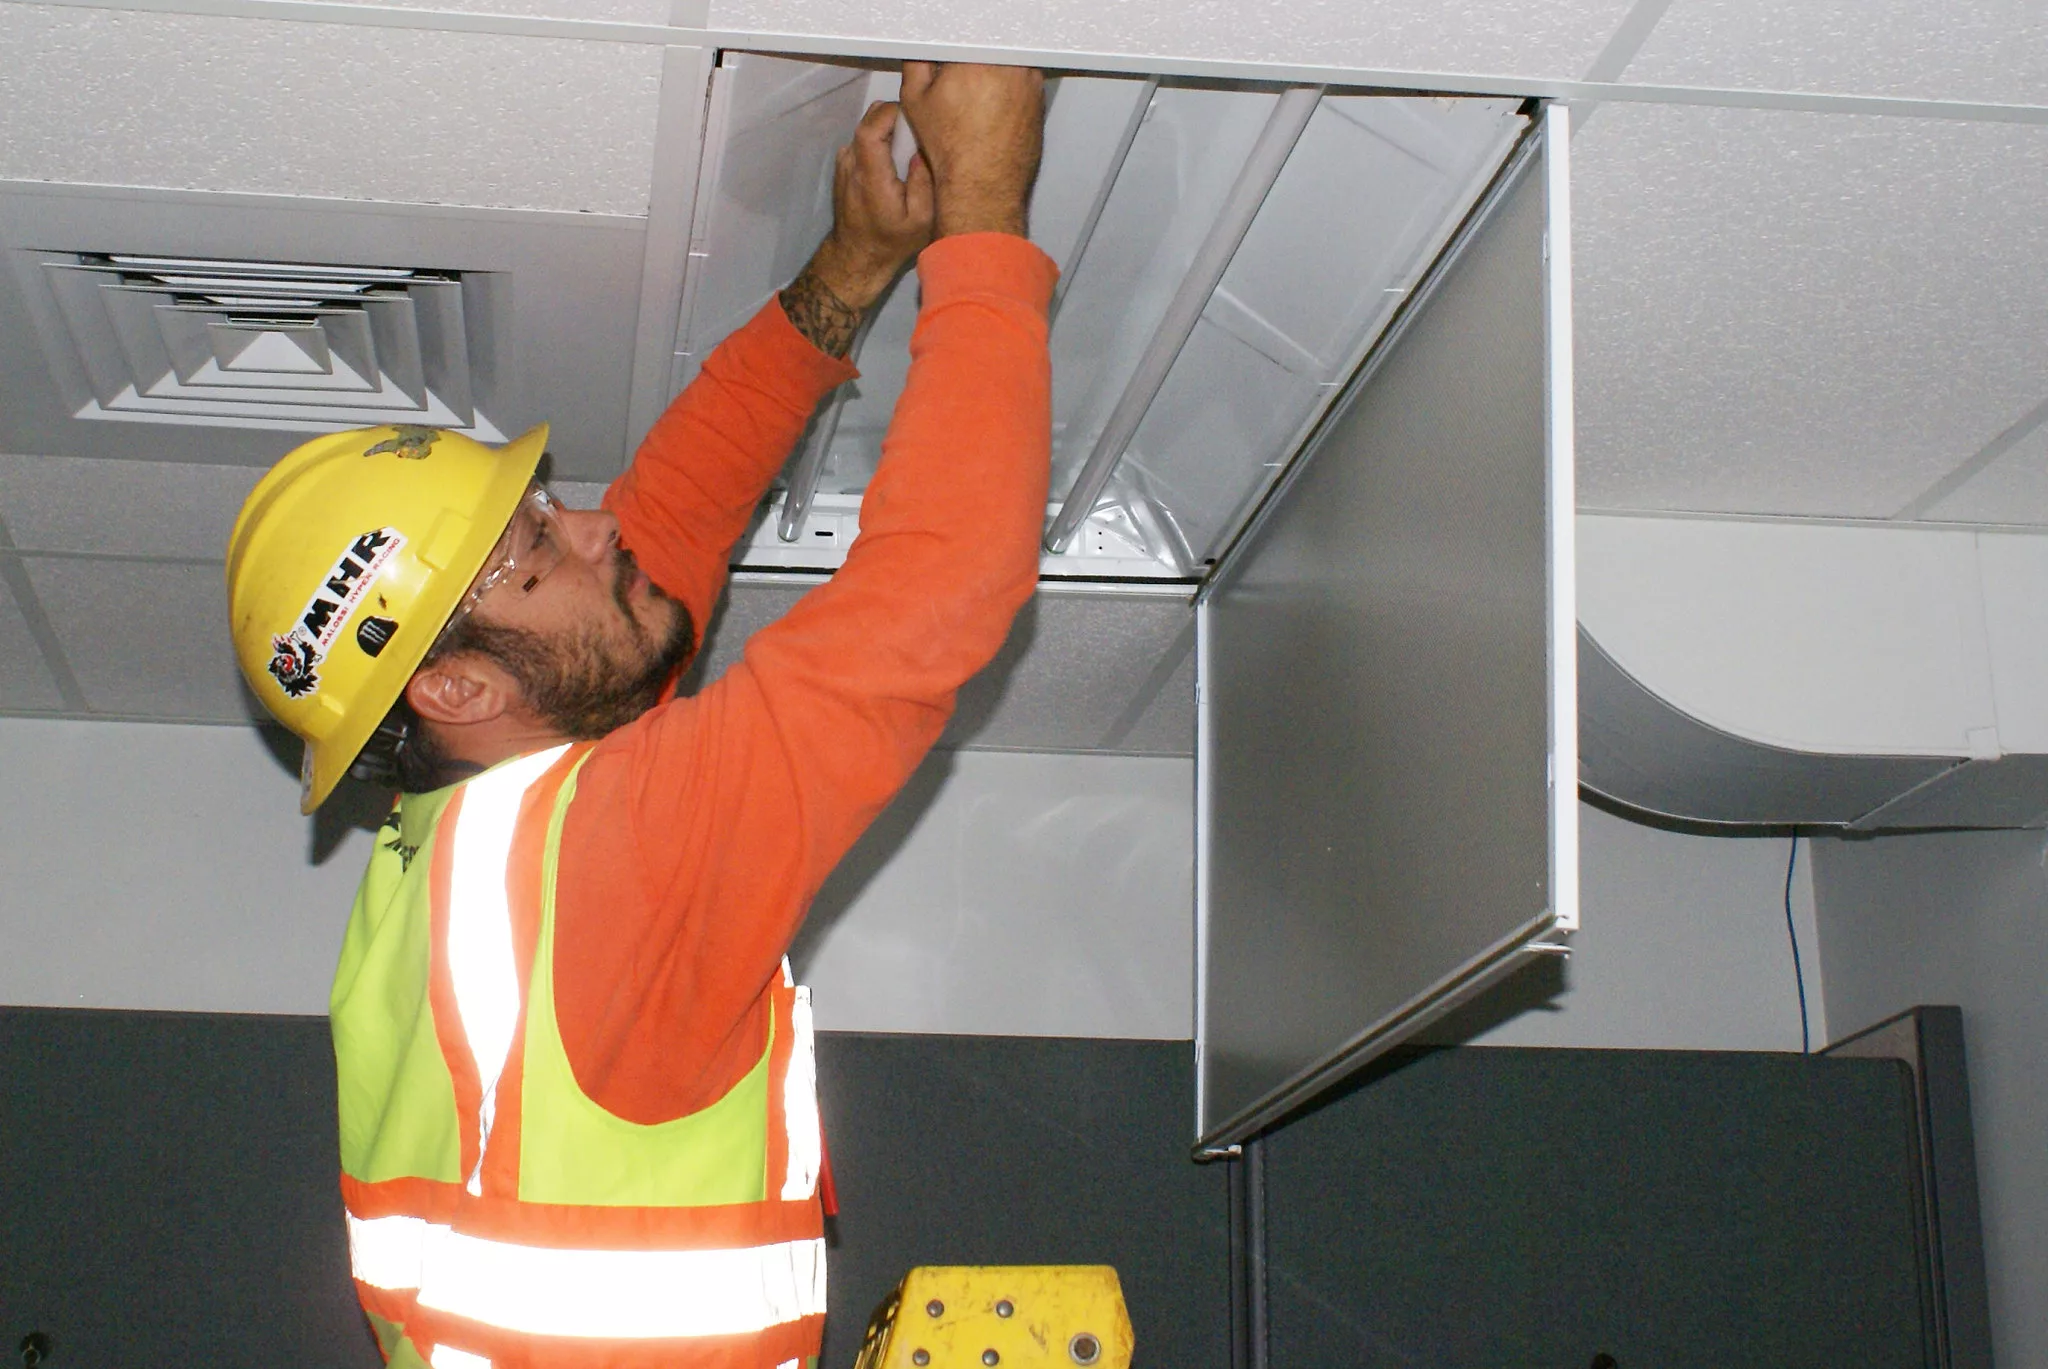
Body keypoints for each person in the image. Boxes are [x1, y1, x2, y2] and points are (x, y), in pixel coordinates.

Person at [223, 62, 1051, 1369]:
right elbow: (936, 591)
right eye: (541, 550)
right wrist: (985, 217)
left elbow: (665, 526)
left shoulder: (462, 875)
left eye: (544, 515)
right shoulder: (597, 865)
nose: (598, 524)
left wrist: (853, 266)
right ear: (458, 690)